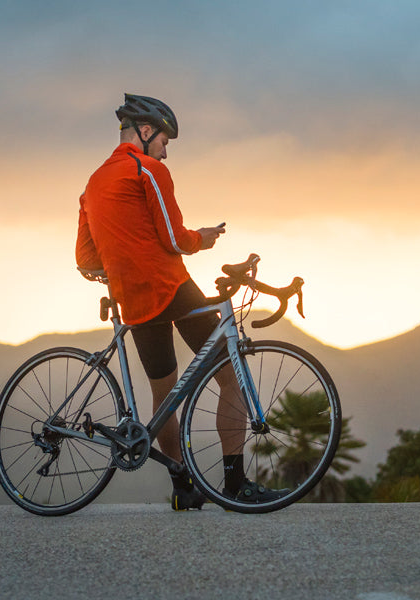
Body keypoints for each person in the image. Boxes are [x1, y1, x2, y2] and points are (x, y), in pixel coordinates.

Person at [75, 93, 284, 509]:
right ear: (146, 132)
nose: (166, 151)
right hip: (168, 287)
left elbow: (85, 259)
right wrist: (201, 239)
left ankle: (183, 487)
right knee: (230, 376)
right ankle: (235, 484)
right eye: (165, 140)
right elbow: (174, 238)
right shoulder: (147, 169)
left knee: (164, 393)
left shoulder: (93, 183)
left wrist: (121, 268)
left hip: (131, 300)